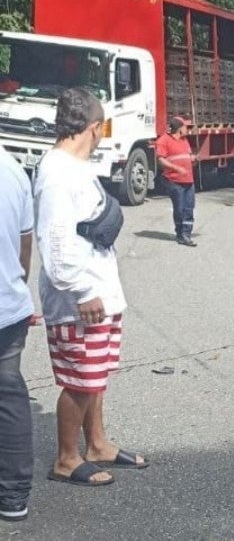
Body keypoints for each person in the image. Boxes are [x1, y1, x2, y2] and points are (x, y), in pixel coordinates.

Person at [34, 87, 147, 488]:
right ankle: (67, 457)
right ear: (95, 128)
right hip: (79, 299)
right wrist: (82, 291)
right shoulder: (58, 173)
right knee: (80, 380)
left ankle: (96, 444)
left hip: (97, 293)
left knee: (94, 376)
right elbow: (56, 243)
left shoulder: (74, 167)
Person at [0, 145, 34, 520]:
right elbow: (25, 248)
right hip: (7, 307)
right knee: (8, 394)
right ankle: (12, 497)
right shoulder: (13, 169)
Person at [156, 116, 197, 247]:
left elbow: (188, 156)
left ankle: (186, 235)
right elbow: (161, 160)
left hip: (189, 181)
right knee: (179, 208)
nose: (187, 129)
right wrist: (177, 168)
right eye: (185, 127)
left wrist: (194, 158)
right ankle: (180, 233)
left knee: (189, 208)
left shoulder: (185, 141)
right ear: (179, 128)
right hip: (173, 181)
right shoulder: (163, 141)